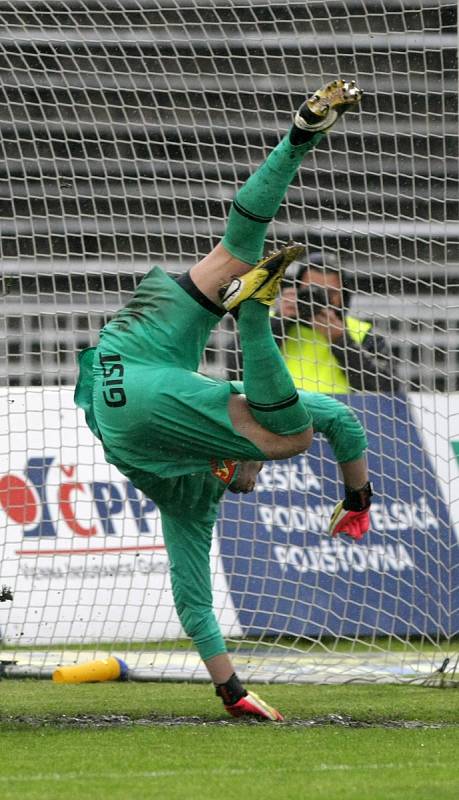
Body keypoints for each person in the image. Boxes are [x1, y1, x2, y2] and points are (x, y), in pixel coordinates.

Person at [75, 79, 373, 722]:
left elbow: (192, 603)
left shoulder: (196, 498)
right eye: (255, 472)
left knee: (286, 428)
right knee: (244, 261)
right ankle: (298, 143)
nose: (256, 476)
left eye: (252, 473)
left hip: (132, 377)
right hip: (129, 368)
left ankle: (257, 302)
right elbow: (343, 418)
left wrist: (232, 690)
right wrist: (358, 499)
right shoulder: (218, 444)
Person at [274, 253, 399, 393]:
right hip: (278, 412)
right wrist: (279, 323)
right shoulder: (264, 324)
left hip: (338, 412)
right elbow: (245, 367)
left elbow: (389, 389)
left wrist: (341, 341)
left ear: (343, 296)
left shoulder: (362, 333)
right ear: (296, 290)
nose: (319, 299)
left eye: (330, 293)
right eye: (311, 291)